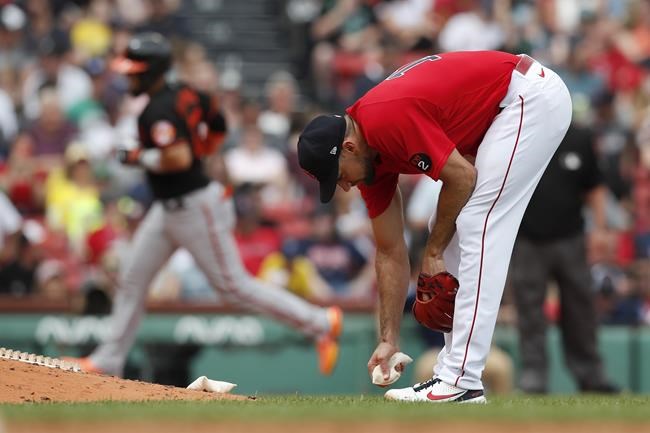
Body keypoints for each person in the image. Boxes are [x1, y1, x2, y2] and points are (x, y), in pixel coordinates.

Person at [298, 51, 572, 402]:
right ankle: (453, 375)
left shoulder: (383, 120)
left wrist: (433, 250)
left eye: (337, 176)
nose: (343, 187)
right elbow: (389, 249)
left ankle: (462, 380)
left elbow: (461, 177)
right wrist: (389, 337)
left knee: (476, 222)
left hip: (528, 96)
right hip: (502, 110)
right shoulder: (367, 159)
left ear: (348, 148)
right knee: (448, 222)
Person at [71, 32, 342, 377]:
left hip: (194, 206)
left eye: (134, 71)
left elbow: (179, 158)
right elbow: (217, 123)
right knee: (132, 278)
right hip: (167, 208)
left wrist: (138, 155)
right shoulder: (186, 93)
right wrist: (203, 151)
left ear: (151, 71)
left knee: (234, 287)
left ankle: (320, 322)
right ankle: (108, 359)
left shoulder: (158, 110)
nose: (128, 77)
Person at [510, 122, 620, 394]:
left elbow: (594, 186)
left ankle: (591, 375)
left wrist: (601, 229)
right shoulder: (517, 132)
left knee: (581, 309)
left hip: (571, 237)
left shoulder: (579, 137)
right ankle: (534, 375)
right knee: (529, 311)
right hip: (527, 238)